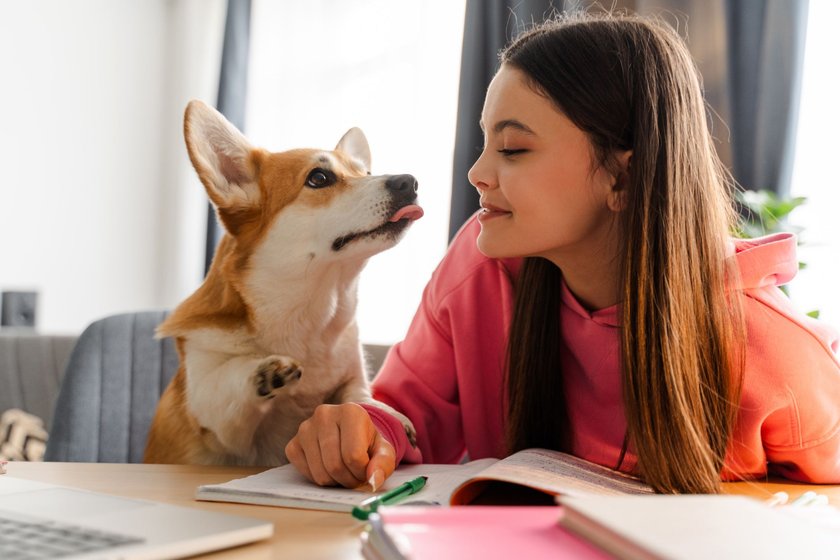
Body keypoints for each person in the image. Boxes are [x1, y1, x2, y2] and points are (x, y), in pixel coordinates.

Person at [285, 12, 840, 494]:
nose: (477, 174)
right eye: (484, 143)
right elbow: (407, 415)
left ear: (623, 177)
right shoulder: (479, 269)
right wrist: (360, 430)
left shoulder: (774, 351)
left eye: (513, 148)